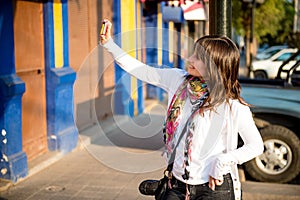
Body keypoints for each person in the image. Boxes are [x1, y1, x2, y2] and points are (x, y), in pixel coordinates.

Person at [99, 19, 264, 200]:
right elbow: (142, 70)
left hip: (214, 187)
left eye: (198, 58)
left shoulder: (232, 106)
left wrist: (224, 161)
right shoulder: (177, 80)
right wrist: (110, 45)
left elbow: (255, 146)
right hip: (177, 184)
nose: (190, 59)